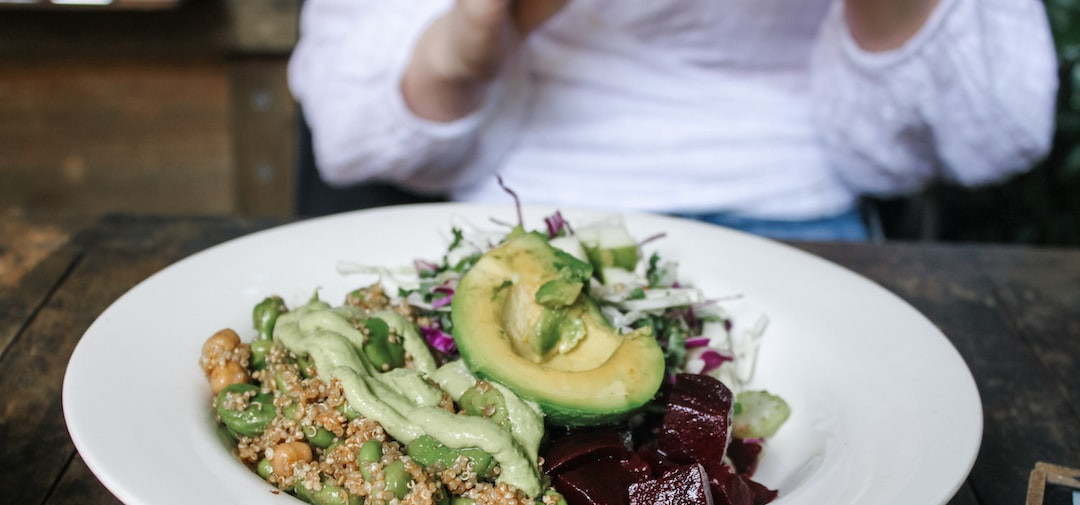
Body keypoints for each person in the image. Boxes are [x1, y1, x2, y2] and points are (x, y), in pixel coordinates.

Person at [288, 0, 1060, 240]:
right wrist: (477, 33)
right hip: (523, 205)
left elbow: (993, 131)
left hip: (796, 213)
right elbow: (350, 132)